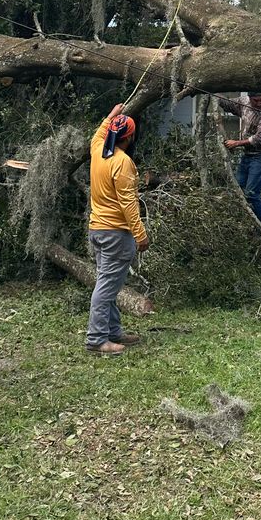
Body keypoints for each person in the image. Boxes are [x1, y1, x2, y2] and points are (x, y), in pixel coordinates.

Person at [85, 103, 148, 356]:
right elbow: (128, 204)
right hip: (116, 233)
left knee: (107, 282)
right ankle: (97, 339)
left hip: (98, 230)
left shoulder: (98, 149)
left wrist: (111, 115)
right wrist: (140, 234)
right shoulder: (123, 163)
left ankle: (113, 331)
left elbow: (98, 133)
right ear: (130, 137)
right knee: (107, 287)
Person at [219, 91, 261, 227]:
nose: (259, 103)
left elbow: (260, 139)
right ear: (250, 98)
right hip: (248, 157)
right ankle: (242, 226)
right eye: (255, 100)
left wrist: (236, 143)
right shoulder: (244, 102)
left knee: (252, 194)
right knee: (237, 190)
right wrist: (214, 95)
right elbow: (227, 104)